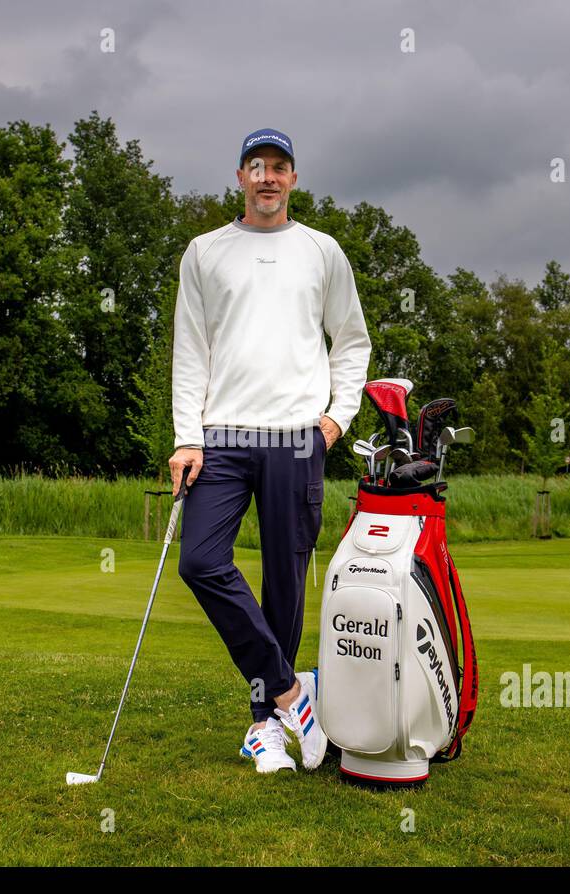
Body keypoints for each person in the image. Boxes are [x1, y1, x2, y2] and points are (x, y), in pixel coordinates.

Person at [168, 128, 371, 774]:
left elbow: (352, 343)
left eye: (279, 167)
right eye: (256, 166)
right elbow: (190, 352)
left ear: (293, 178)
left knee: (284, 587)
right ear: (239, 177)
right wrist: (185, 437)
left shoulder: (323, 252)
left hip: (295, 438)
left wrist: (334, 423)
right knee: (200, 561)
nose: (267, 177)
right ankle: (291, 693)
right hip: (222, 435)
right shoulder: (204, 252)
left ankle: (265, 728)